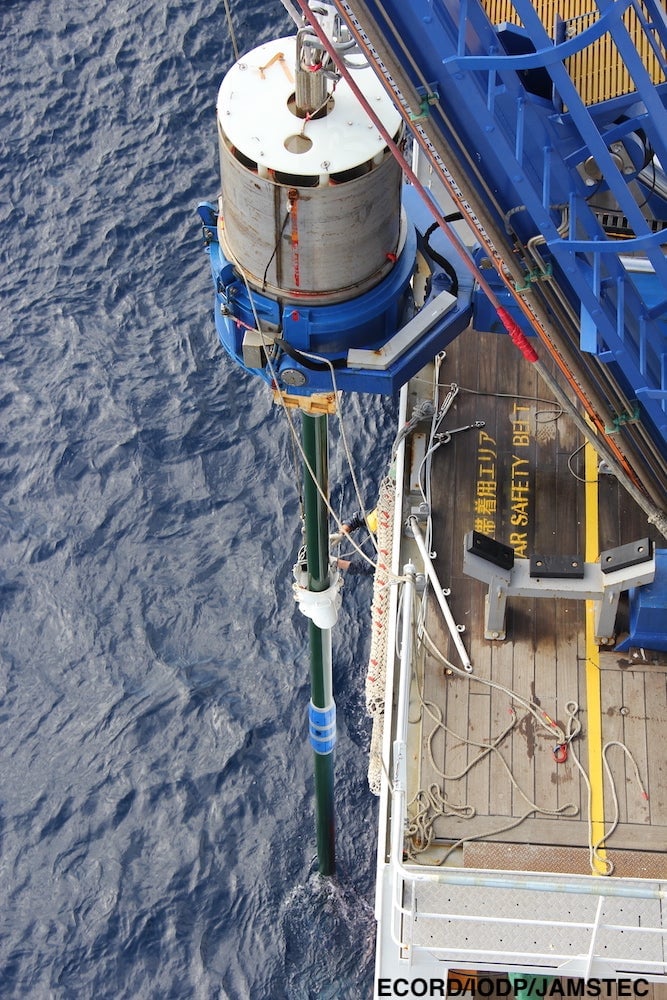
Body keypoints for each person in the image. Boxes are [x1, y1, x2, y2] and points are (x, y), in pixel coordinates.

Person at [334, 508, 377, 576]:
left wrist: (337, 563)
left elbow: (369, 566)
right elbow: (358, 517)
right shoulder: (380, 514)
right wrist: (342, 531)